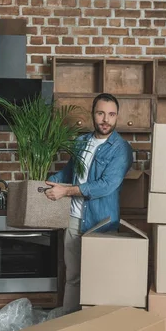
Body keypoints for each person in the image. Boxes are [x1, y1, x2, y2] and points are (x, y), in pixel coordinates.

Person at [45, 93, 133, 314]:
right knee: (73, 277)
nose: (106, 119)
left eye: (111, 114)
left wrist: (66, 191)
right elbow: (69, 172)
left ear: (117, 117)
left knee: (99, 279)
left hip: (102, 223)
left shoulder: (121, 148)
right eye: (101, 113)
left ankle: (94, 329)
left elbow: (106, 185)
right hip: (74, 219)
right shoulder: (81, 142)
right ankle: (68, 325)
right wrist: (44, 182)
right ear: (93, 114)